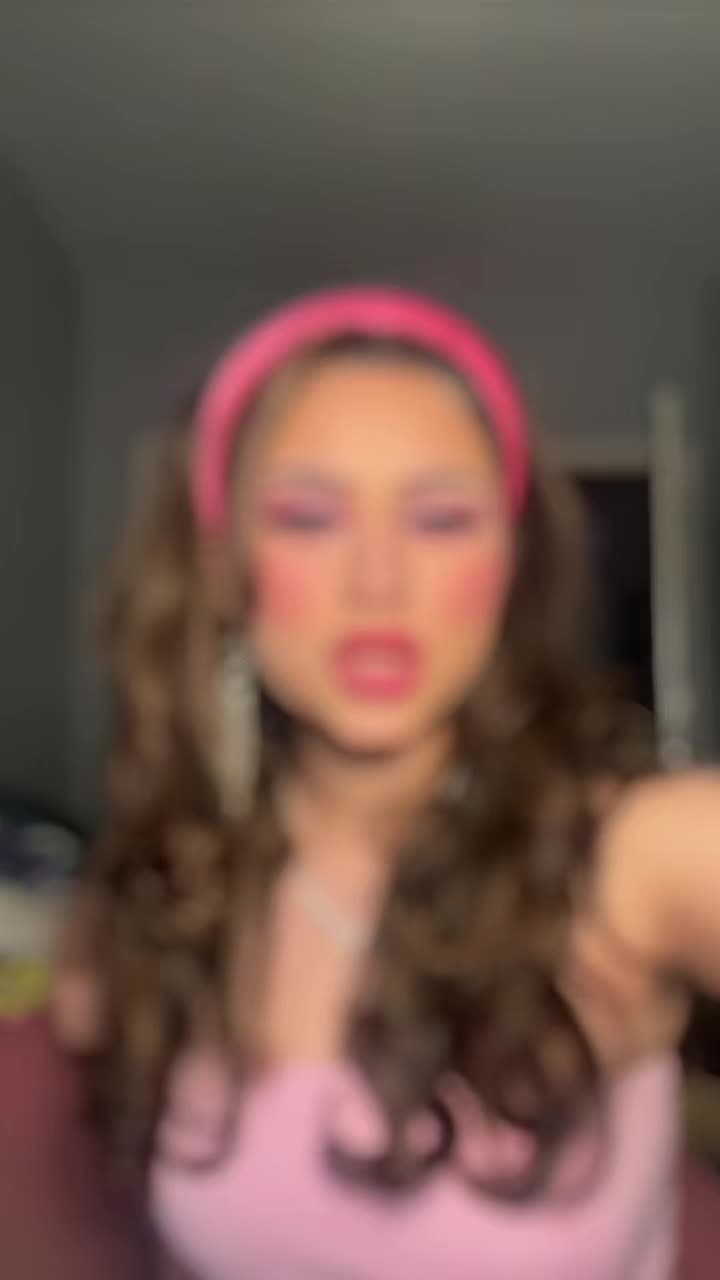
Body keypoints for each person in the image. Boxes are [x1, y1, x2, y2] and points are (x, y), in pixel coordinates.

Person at [54, 286, 720, 1279]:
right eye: (308, 516)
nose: (378, 580)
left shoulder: (639, 852)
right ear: (224, 566)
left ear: (509, 564)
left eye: (442, 518)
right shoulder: (141, 921)